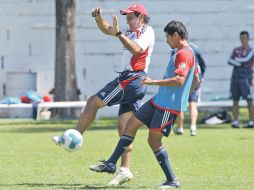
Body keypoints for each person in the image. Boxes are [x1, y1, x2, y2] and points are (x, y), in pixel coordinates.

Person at [52, 3, 155, 186]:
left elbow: (136, 50)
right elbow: (107, 29)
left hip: (131, 80)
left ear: (141, 18)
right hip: (132, 81)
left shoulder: (147, 32)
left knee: (93, 102)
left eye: (131, 17)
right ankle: (124, 170)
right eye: (126, 18)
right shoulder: (128, 30)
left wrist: (118, 33)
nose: (128, 20)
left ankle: (72, 137)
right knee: (124, 128)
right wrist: (98, 18)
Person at [89, 20, 200, 189]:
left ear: (176, 35)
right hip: (158, 101)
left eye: (168, 37)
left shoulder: (184, 54)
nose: (166, 41)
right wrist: (186, 93)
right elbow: (196, 78)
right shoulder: (186, 52)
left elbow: (180, 80)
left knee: (153, 140)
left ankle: (172, 180)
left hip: (167, 107)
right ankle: (111, 163)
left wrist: (155, 83)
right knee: (131, 125)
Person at [174, 43, 206, 136]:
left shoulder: (176, 50)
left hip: (183, 78)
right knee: (193, 104)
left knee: (180, 103)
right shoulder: (196, 48)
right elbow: (203, 65)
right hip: (195, 78)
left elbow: (174, 66)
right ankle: (193, 127)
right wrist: (201, 76)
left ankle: (180, 127)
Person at [228, 31, 254, 128]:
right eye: (241, 38)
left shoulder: (251, 50)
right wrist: (240, 63)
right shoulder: (236, 49)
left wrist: (237, 61)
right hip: (235, 77)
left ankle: (251, 121)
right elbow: (229, 60)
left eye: (244, 38)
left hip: (246, 78)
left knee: (249, 100)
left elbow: (246, 60)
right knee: (235, 100)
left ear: (248, 39)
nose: (243, 40)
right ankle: (235, 121)